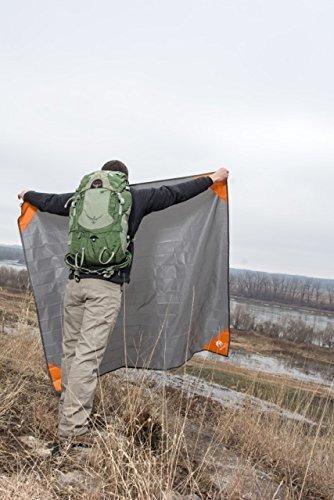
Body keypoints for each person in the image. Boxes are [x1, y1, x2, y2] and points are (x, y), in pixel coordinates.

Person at [18, 160, 229, 447]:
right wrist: (211, 179)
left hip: (75, 285)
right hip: (105, 288)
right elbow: (175, 192)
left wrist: (28, 194)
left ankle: (68, 414)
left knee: (71, 352)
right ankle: (73, 429)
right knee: (87, 357)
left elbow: (50, 202)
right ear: (124, 179)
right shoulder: (133, 197)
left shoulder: (79, 199)